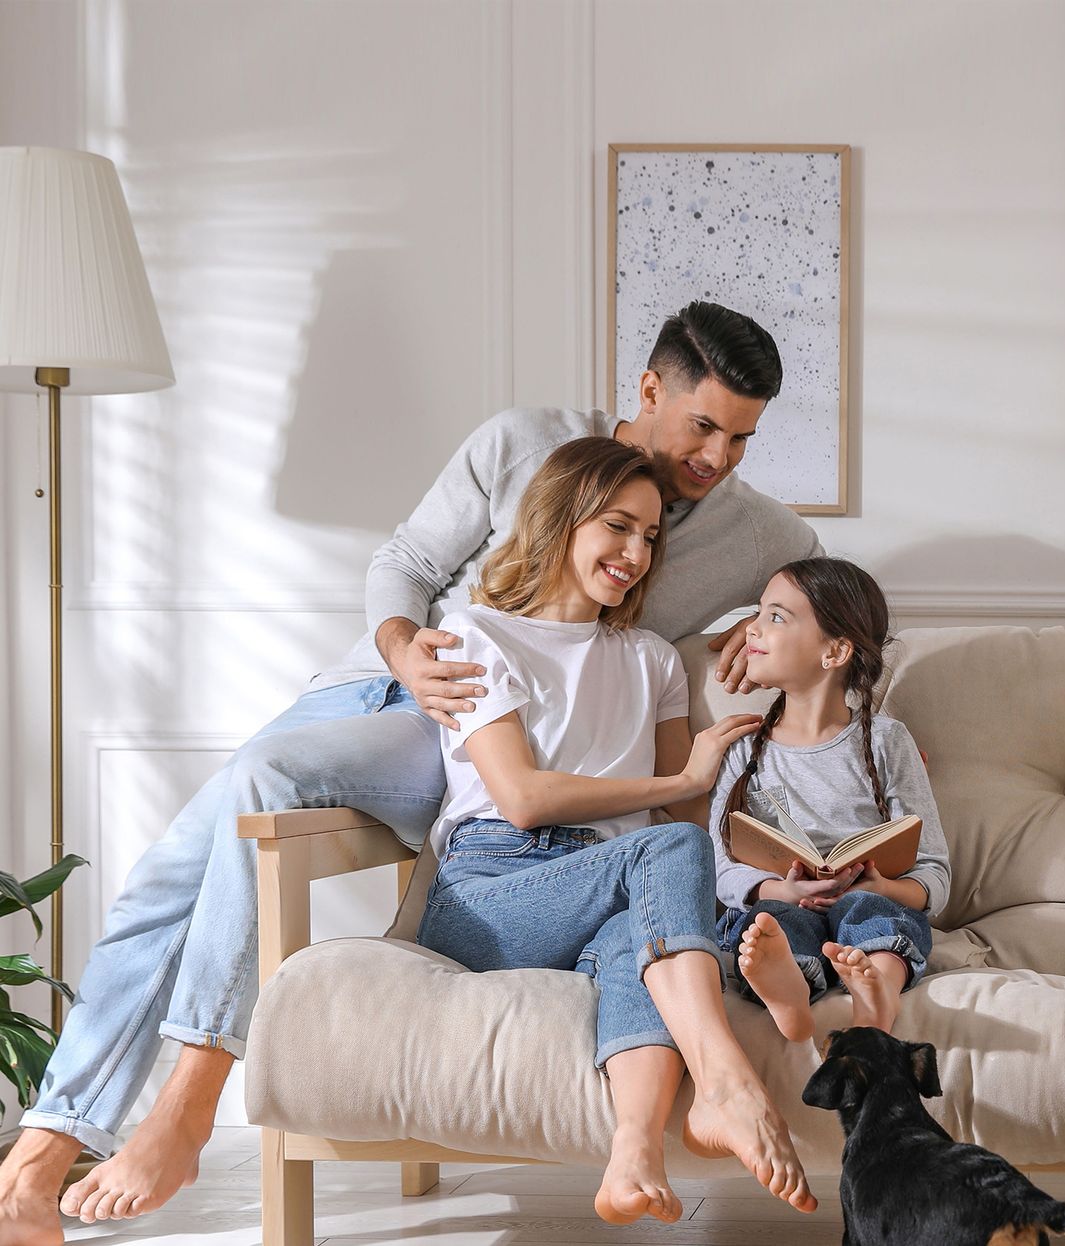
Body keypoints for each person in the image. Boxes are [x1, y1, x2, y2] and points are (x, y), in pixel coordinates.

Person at [0, 300, 821, 1244]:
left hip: (483, 742)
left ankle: (157, 1111)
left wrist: (760, 632)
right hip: (395, 691)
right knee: (181, 865)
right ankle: (57, 1149)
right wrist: (403, 651)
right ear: (649, 388)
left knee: (259, 785)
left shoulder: (748, 531)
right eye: (704, 426)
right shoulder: (524, 442)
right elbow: (407, 562)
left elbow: (822, 587)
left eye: (741, 439)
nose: (717, 458)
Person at [412, 436, 812, 1223]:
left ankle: (635, 1154)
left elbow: (689, 821)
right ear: (561, 519)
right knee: (662, 856)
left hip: (613, 883)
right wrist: (683, 783)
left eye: (651, 537)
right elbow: (522, 798)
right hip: (491, 892)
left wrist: (790, 854)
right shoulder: (476, 636)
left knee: (646, 935)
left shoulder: (652, 659)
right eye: (618, 527)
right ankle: (724, 1079)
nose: (635, 554)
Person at [711, 559, 950, 1042]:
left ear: (835, 651)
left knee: (871, 911)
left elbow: (934, 870)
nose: (751, 628)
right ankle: (789, 992)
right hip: (783, 903)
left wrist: (887, 887)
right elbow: (721, 866)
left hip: (869, 899)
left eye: (776, 617)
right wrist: (778, 890)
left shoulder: (888, 741)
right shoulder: (742, 750)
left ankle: (878, 989)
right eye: (759, 612)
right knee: (770, 926)